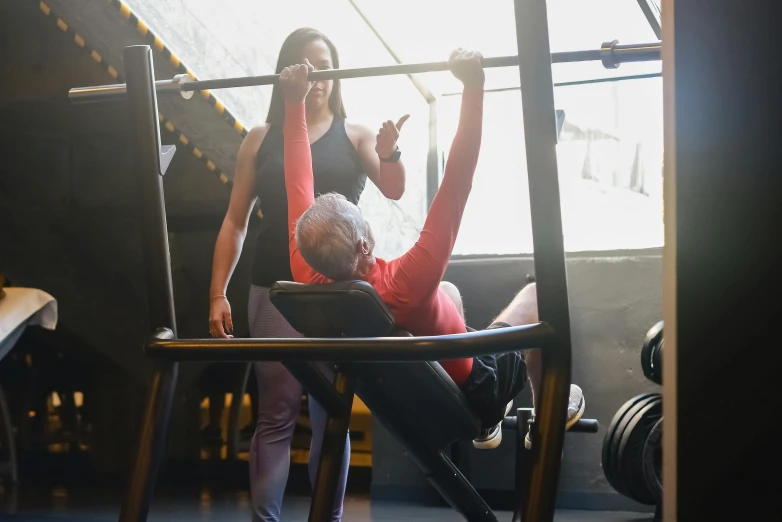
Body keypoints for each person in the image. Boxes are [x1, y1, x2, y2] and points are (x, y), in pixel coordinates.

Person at [279, 48, 585, 451]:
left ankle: (491, 424)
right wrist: (474, 85)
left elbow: (297, 183)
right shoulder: (407, 280)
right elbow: (458, 178)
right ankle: (548, 403)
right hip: (480, 385)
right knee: (539, 294)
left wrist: (293, 102)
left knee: (449, 293)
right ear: (365, 242)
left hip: (428, 387)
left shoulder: (307, 269)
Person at [207, 28, 409, 522]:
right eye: (303, 66)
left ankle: (328, 518)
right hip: (273, 287)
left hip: (338, 293)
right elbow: (235, 222)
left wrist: (391, 153)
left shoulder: (356, 133)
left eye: (323, 65)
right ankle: (265, 519)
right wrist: (217, 294)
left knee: (330, 413)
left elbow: (394, 190)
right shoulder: (260, 138)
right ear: (286, 76)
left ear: (336, 75)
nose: (314, 76)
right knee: (274, 412)